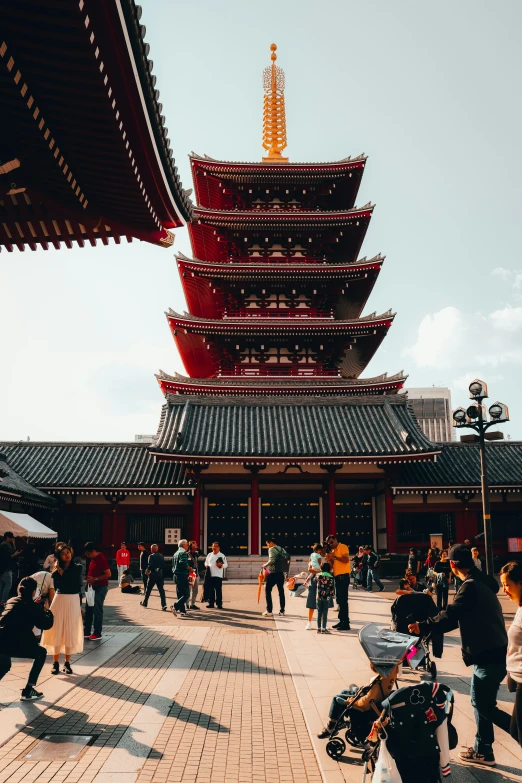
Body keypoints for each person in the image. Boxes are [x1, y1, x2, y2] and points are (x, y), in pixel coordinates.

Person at [409, 543, 509, 767]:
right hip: (492, 651)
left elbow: (451, 616)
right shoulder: (482, 581)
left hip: (488, 654)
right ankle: (483, 750)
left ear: (453, 565)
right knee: (481, 702)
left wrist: (423, 626)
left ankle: (515, 730)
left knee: (482, 704)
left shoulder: (470, 586)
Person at [0, 576, 54, 701]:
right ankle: (29, 689)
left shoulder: (11, 600)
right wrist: (47, 611)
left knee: (5, 663)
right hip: (21, 643)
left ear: (19, 589)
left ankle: (29, 690)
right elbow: (45, 624)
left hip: (3, 640)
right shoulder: (34, 607)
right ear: (34, 592)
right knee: (41, 653)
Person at [317, 661, 399, 739]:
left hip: (367, 703)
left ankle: (331, 727)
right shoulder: (391, 673)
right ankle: (340, 721)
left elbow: (364, 703)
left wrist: (351, 701)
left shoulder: (377, 681)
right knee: (344, 692)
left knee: (336, 698)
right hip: (376, 697)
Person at [42, 543, 83, 674]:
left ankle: (67, 662)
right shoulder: (54, 571)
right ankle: (55, 662)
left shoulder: (78, 567)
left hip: (73, 599)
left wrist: (60, 571)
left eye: (68, 552)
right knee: (57, 629)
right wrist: (57, 570)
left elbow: (72, 581)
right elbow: (58, 585)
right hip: (59, 599)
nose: (67, 555)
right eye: (64, 553)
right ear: (60, 555)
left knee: (70, 630)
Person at [500, 561, 522, 746]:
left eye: (507, 584)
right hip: (518, 677)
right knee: (515, 730)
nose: (504, 589)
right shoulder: (520, 607)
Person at [83, 542, 111, 640]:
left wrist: (95, 579)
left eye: (88, 554)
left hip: (100, 587)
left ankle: (97, 632)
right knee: (89, 609)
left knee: (97, 610)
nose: (87, 556)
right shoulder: (93, 559)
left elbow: (108, 574)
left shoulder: (101, 559)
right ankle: (86, 630)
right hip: (91, 587)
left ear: (94, 551)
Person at [325, 534, 351, 631]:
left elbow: (346, 559)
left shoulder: (342, 547)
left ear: (336, 540)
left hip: (343, 576)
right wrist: (330, 559)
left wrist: (334, 557)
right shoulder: (333, 551)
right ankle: (341, 620)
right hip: (337, 576)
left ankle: (346, 623)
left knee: (344, 600)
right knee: (339, 600)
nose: (331, 544)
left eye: (332, 542)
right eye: (329, 544)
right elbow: (332, 565)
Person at [261, 538, 288, 617]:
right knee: (281, 592)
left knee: (267, 590)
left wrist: (265, 565)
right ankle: (282, 611)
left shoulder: (272, 549)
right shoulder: (282, 549)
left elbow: (272, 560)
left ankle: (269, 610)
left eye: (267, 544)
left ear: (271, 542)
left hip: (273, 572)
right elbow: (286, 560)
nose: (268, 546)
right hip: (280, 573)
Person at [141, 544, 167, 611]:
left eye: (151, 548)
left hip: (153, 574)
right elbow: (163, 565)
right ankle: (164, 605)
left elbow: (150, 565)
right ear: (157, 549)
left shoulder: (151, 556)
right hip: (160, 574)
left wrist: (147, 570)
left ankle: (145, 602)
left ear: (152, 549)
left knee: (148, 589)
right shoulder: (161, 556)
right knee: (161, 590)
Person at [305, 543, 324, 630]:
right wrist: (319, 571)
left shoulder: (312, 555)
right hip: (317, 577)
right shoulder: (319, 556)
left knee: (323, 601)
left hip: (317, 577)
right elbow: (310, 568)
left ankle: (324, 622)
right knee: (312, 599)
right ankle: (309, 622)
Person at [205, 541, 228, 610]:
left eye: (216, 546)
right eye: (213, 546)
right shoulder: (209, 555)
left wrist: (221, 565)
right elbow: (206, 562)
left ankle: (219, 604)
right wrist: (206, 565)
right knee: (211, 590)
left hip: (218, 575)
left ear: (219, 548)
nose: (214, 548)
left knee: (218, 590)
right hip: (210, 575)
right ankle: (211, 603)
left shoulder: (222, 555)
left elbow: (226, 565)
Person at [0, 532, 20, 609]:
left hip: (3, 568)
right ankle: (3, 601)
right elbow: (8, 557)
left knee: (2, 584)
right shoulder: (5, 545)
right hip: (6, 567)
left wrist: (13, 544)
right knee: (8, 584)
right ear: (7, 537)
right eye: (11, 537)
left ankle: (2, 600)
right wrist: (15, 554)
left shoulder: (4, 544)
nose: (12, 539)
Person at [172, 539, 190, 616]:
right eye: (187, 544)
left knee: (180, 593)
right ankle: (175, 606)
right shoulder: (183, 553)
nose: (188, 546)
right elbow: (183, 563)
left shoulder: (176, 553)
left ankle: (182, 611)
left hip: (176, 575)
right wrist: (190, 568)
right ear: (183, 545)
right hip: (182, 575)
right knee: (186, 594)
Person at [316, 562, 335, 634]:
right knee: (325, 612)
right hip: (326, 597)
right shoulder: (330, 577)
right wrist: (332, 595)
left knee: (319, 612)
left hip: (319, 596)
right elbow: (332, 587)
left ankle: (318, 628)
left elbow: (315, 581)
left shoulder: (318, 576)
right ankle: (324, 628)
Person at [187, 541, 201, 610]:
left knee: (195, 590)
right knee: (189, 590)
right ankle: (187, 604)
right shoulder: (187, 554)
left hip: (196, 573)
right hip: (191, 574)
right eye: (194, 544)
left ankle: (193, 604)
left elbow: (201, 552)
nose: (196, 545)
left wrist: (197, 548)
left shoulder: (196, 554)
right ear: (191, 545)